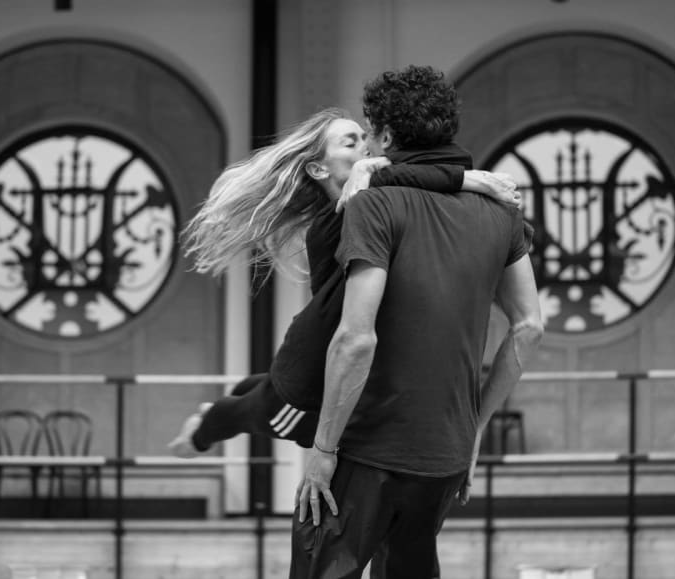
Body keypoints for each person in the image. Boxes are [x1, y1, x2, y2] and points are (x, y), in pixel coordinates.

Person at [292, 65, 543, 578]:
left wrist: (322, 450)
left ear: (386, 136)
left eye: (369, 134)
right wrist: (475, 429)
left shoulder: (373, 205)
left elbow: (355, 338)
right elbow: (529, 325)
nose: (366, 146)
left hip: (365, 447)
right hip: (445, 454)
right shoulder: (501, 210)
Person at [169, 108, 519, 459]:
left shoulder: (378, 200)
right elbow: (403, 176)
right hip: (308, 389)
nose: (366, 147)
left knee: (252, 386)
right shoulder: (332, 223)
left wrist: (463, 179)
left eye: (366, 139)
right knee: (243, 413)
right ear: (319, 169)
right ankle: (198, 432)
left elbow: (406, 177)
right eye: (351, 143)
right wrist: (469, 179)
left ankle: (244, 392)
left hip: (330, 362)